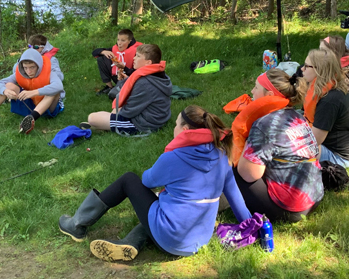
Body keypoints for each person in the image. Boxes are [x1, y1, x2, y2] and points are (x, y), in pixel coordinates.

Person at [58, 105, 252, 262]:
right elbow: (235, 196)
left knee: (129, 180)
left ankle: (77, 224)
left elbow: (147, 181)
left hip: (172, 238)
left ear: (184, 130)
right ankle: (131, 242)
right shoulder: (221, 154)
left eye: (176, 125)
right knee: (160, 202)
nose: (173, 129)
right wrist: (251, 225)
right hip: (199, 239)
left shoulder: (175, 157)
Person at [232, 69, 323, 222]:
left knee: (234, 170)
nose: (252, 91)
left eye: (256, 87)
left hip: (289, 209)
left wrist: (243, 146)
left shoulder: (264, 124)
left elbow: (249, 175)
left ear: (269, 95)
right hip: (313, 198)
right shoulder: (298, 117)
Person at [0, 48, 65, 134]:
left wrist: (34, 92)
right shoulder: (20, 73)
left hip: (49, 108)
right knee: (8, 86)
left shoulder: (49, 73)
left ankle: (30, 120)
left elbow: (59, 86)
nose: (29, 71)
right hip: (31, 105)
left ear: (39, 65)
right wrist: (5, 91)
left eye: (32, 67)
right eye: (26, 67)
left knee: (53, 92)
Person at [82, 44, 172, 135]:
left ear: (148, 62)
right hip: (158, 117)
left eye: (138, 56)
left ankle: (100, 126)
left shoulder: (145, 82)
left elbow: (128, 111)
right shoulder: (157, 75)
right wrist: (124, 81)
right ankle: (103, 125)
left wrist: (114, 116)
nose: (134, 58)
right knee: (114, 110)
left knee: (92, 118)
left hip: (144, 123)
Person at [301, 49, 349, 168]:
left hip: (337, 157)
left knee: (286, 148)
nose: (302, 69)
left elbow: (313, 141)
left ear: (319, 70)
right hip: (326, 144)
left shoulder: (330, 100)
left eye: (306, 66)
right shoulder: (324, 88)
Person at [92, 29, 143, 96]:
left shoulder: (139, 51)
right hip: (117, 77)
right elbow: (94, 53)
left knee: (114, 95)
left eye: (123, 40)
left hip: (130, 77)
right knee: (101, 58)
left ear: (129, 41)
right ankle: (109, 87)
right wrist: (103, 52)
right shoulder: (115, 48)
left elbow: (139, 72)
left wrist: (124, 68)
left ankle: (124, 89)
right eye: (118, 40)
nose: (119, 43)